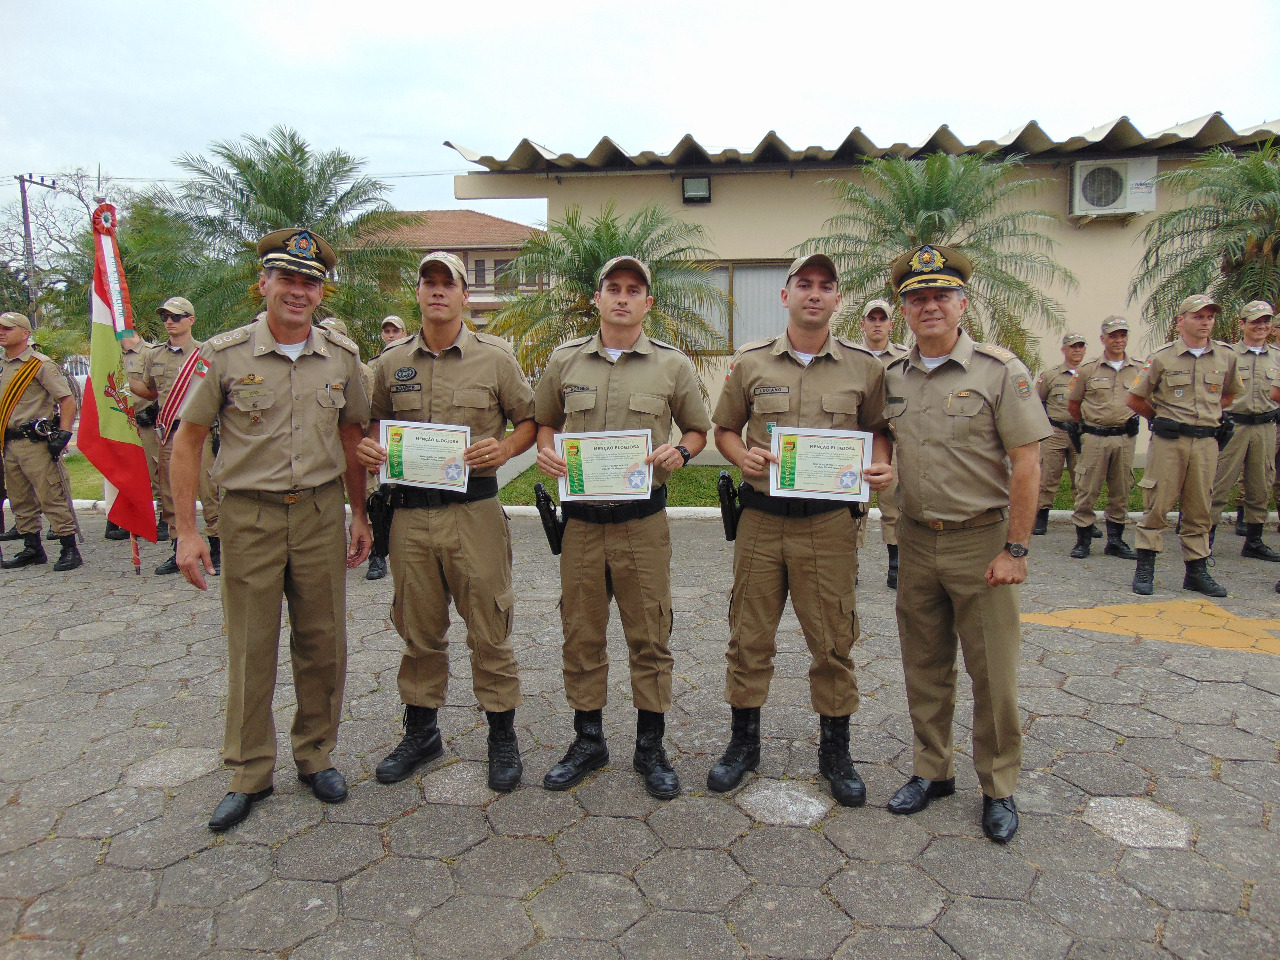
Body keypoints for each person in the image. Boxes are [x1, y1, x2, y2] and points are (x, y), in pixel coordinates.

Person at [170, 228, 372, 831]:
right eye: (287, 278)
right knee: (251, 645)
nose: (298, 290)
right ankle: (250, 770)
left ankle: (316, 756)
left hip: (317, 513)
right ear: (264, 283)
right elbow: (188, 440)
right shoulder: (223, 355)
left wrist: (359, 514)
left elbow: (352, 437)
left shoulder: (341, 356)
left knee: (323, 642)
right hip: (249, 516)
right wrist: (186, 531)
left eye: (309, 281)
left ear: (321, 292)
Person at [707, 253, 893, 808]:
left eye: (826, 286)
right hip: (762, 523)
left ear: (839, 301)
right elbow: (723, 430)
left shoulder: (866, 368)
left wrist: (882, 465)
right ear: (785, 296)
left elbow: (879, 432)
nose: (815, 294)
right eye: (804, 285)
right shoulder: (752, 363)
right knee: (748, 637)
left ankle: (835, 753)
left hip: (830, 527)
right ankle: (744, 745)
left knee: (834, 640)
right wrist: (741, 457)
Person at [882, 245, 1051, 844]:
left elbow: (1027, 463)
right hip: (916, 542)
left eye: (940, 295)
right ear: (904, 308)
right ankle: (934, 770)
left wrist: (1018, 549)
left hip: (981, 543)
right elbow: (880, 440)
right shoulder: (892, 376)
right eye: (917, 297)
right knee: (924, 668)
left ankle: (1000, 786)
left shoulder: (998, 370)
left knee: (993, 675)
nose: (929, 306)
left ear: (960, 302)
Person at [356, 251, 535, 792]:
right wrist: (370, 450)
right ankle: (421, 732)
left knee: (489, 626)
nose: (437, 291)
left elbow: (529, 421)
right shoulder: (389, 364)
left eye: (447, 283)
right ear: (418, 293)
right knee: (418, 629)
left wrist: (503, 451)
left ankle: (501, 735)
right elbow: (371, 425)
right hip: (410, 517)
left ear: (464, 295)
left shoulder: (495, 359)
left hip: (473, 513)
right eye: (428, 282)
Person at [534, 255, 711, 800]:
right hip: (583, 527)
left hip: (642, 525)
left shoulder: (671, 366)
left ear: (647, 303)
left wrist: (681, 451)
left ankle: (649, 747)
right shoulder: (565, 363)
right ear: (597, 298)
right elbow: (543, 422)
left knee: (650, 634)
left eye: (634, 290)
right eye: (613, 288)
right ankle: (588, 741)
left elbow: (700, 429)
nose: (622, 298)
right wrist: (545, 452)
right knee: (582, 632)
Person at [1127, 293, 1243, 597]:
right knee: (1157, 503)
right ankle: (1145, 566)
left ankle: (1197, 570)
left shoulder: (1225, 357)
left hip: (1206, 442)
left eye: (1209, 317)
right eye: (1197, 316)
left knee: (1200, 506)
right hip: (1170, 442)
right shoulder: (1163, 357)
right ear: (1181, 321)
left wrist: (1211, 413)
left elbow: (1229, 395)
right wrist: (1157, 418)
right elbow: (1135, 398)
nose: (1205, 322)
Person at [129, 297, 221, 574]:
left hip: (198, 431)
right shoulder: (154, 355)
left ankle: (216, 545)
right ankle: (178, 545)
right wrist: (122, 379)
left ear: (191, 320)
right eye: (165, 316)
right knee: (171, 492)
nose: (169, 321)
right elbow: (151, 391)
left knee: (208, 489)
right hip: (169, 431)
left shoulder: (206, 352)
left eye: (176, 316)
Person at [0, 311, 81, 571]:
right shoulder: (2, 364)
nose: (1, 332)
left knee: (51, 495)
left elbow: (66, 399)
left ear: (25, 334)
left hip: (34, 441)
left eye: (7, 328)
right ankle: (32, 547)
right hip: (9, 442)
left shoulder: (39, 364)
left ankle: (69, 548)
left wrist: (64, 434)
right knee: (19, 498)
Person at [1065, 317, 1144, 559]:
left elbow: (1146, 398)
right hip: (1095, 437)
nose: (1118, 340)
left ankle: (1116, 541)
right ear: (1103, 339)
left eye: (1123, 335)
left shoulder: (1138, 369)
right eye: (1113, 335)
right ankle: (1083, 540)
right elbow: (1073, 404)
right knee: (1087, 488)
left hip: (1124, 437)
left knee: (1121, 489)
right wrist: (1090, 424)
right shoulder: (1088, 370)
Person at [1209, 301, 1280, 561]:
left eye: (1266, 321)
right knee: (1219, 483)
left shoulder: (1277, 356)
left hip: (1265, 427)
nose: (1261, 326)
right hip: (1234, 427)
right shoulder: (1227, 355)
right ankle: (1204, 542)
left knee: (1261, 485)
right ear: (1242, 324)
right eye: (1255, 321)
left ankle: (1254, 541)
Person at [859, 298, 909, 587]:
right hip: (857, 439)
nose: (877, 324)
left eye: (882, 319)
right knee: (853, 505)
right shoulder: (849, 357)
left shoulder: (906, 358)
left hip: (892, 441)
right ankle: (848, 562)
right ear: (863, 323)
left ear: (892, 324)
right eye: (871, 318)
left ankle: (895, 563)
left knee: (893, 503)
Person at [363, 315, 410, 582]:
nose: (391, 334)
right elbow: (373, 413)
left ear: (404, 332)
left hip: (406, 448)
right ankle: (377, 555)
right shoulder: (372, 368)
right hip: (380, 445)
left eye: (396, 330)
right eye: (387, 331)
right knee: (376, 500)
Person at [105, 332, 163, 541]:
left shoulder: (151, 353)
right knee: (129, 473)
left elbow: (164, 386)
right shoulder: (111, 356)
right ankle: (134, 520)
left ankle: (167, 518)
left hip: (147, 422)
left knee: (157, 470)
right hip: (123, 424)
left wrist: (155, 410)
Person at [1032, 333, 1087, 536]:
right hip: (1055, 431)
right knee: (1047, 476)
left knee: (1082, 478)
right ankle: (1041, 516)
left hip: (1081, 432)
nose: (1077, 350)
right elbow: (1036, 401)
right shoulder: (1051, 375)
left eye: (1081, 346)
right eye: (1073, 347)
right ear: (1064, 350)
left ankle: (1085, 520)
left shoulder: (1090, 373)